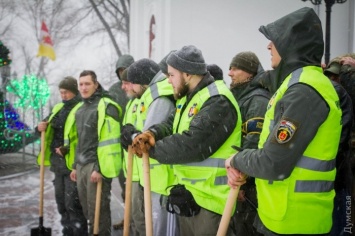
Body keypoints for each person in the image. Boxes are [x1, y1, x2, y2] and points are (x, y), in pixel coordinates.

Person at [225, 7, 342, 235]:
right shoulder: (295, 86)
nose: (268, 46)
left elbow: (274, 163)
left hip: (296, 222)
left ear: (291, 45)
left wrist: (237, 160)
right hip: (281, 215)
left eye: (275, 41)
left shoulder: (305, 92)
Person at [131, 45, 242, 235]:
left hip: (211, 202)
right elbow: (170, 123)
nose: (168, 80)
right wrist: (152, 134)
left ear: (188, 74)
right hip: (191, 196)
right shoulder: (189, 98)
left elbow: (194, 145)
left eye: (172, 75)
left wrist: (152, 149)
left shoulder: (217, 99)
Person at [120, 58, 178, 236]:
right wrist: (131, 134)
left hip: (163, 178)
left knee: (161, 229)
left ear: (143, 82)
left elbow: (148, 137)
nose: (129, 87)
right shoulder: (150, 95)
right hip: (153, 174)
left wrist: (134, 137)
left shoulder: (160, 97)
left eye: (132, 83)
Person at [68, 70, 122, 236]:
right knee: (88, 211)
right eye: (81, 84)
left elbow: (111, 141)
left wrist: (99, 168)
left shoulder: (106, 106)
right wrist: (75, 166)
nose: (83, 88)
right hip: (82, 165)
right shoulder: (80, 109)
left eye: (87, 84)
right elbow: (78, 141)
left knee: (99, 210)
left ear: (96, 84)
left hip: (96, 165)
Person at [36, 76, 87, 236]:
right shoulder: (58, 108)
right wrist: (39, 128)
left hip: (72, 164)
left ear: (73, 91)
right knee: (61, 203)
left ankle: (79, 232)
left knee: (73, 204)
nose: (63, 95)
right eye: (61, 92)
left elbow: (83, 137)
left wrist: (66, 148)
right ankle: (67, 232)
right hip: (57, 164)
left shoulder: (81, 108)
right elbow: (44, 127)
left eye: (66, 92)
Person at [228, 51, 270, 236]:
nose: (230, 73)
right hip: (238, 175)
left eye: (236, 68)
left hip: (248, 184)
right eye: (230, 68)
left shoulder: (257, 100)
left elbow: (253, 142)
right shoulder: (242, 96)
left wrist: (243, 183)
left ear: (250, 73)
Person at [323, 58, 354, 235]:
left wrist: (350, 74)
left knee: (343, 225)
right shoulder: (333, 96)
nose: (332, 80)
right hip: (337, 175)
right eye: (329, 76)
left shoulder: (344, 96)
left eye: (337, 77)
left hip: (342, 174)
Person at [108, 54, 135, 214]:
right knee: (124, 181)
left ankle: (134, 217)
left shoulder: (139, 87)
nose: (123, 72)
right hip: (119, 142)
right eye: (121, 70)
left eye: (126, 69)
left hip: (135, 139)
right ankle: (127, 216)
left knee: (136, 184)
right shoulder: (114, 90)